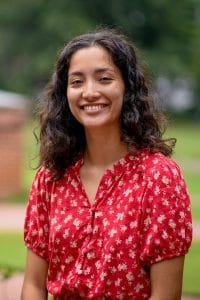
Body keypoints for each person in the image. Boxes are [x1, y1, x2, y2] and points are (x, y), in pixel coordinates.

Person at [21, 29, 192, 300]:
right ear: (65, 93)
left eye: (104, 78)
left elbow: (166, 295)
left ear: (128, 86)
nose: (90, 92)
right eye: (77, 81)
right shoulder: (51, 177)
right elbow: (33, 285)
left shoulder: (158, 177)